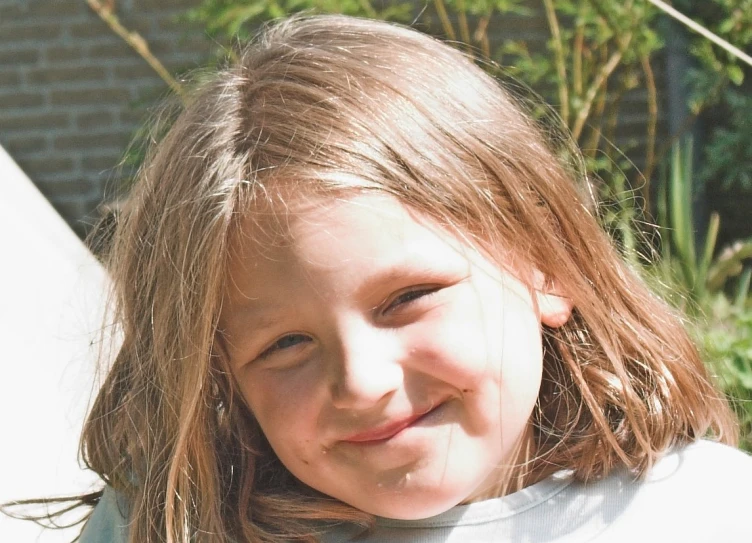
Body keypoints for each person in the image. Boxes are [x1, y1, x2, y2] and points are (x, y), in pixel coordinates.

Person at [72, 14, 752, 543]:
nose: (363, 383)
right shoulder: (174, 526)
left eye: (406, 298)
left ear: (551, 260)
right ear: (219, 372)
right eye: (283, 345)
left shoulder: (711, 511)